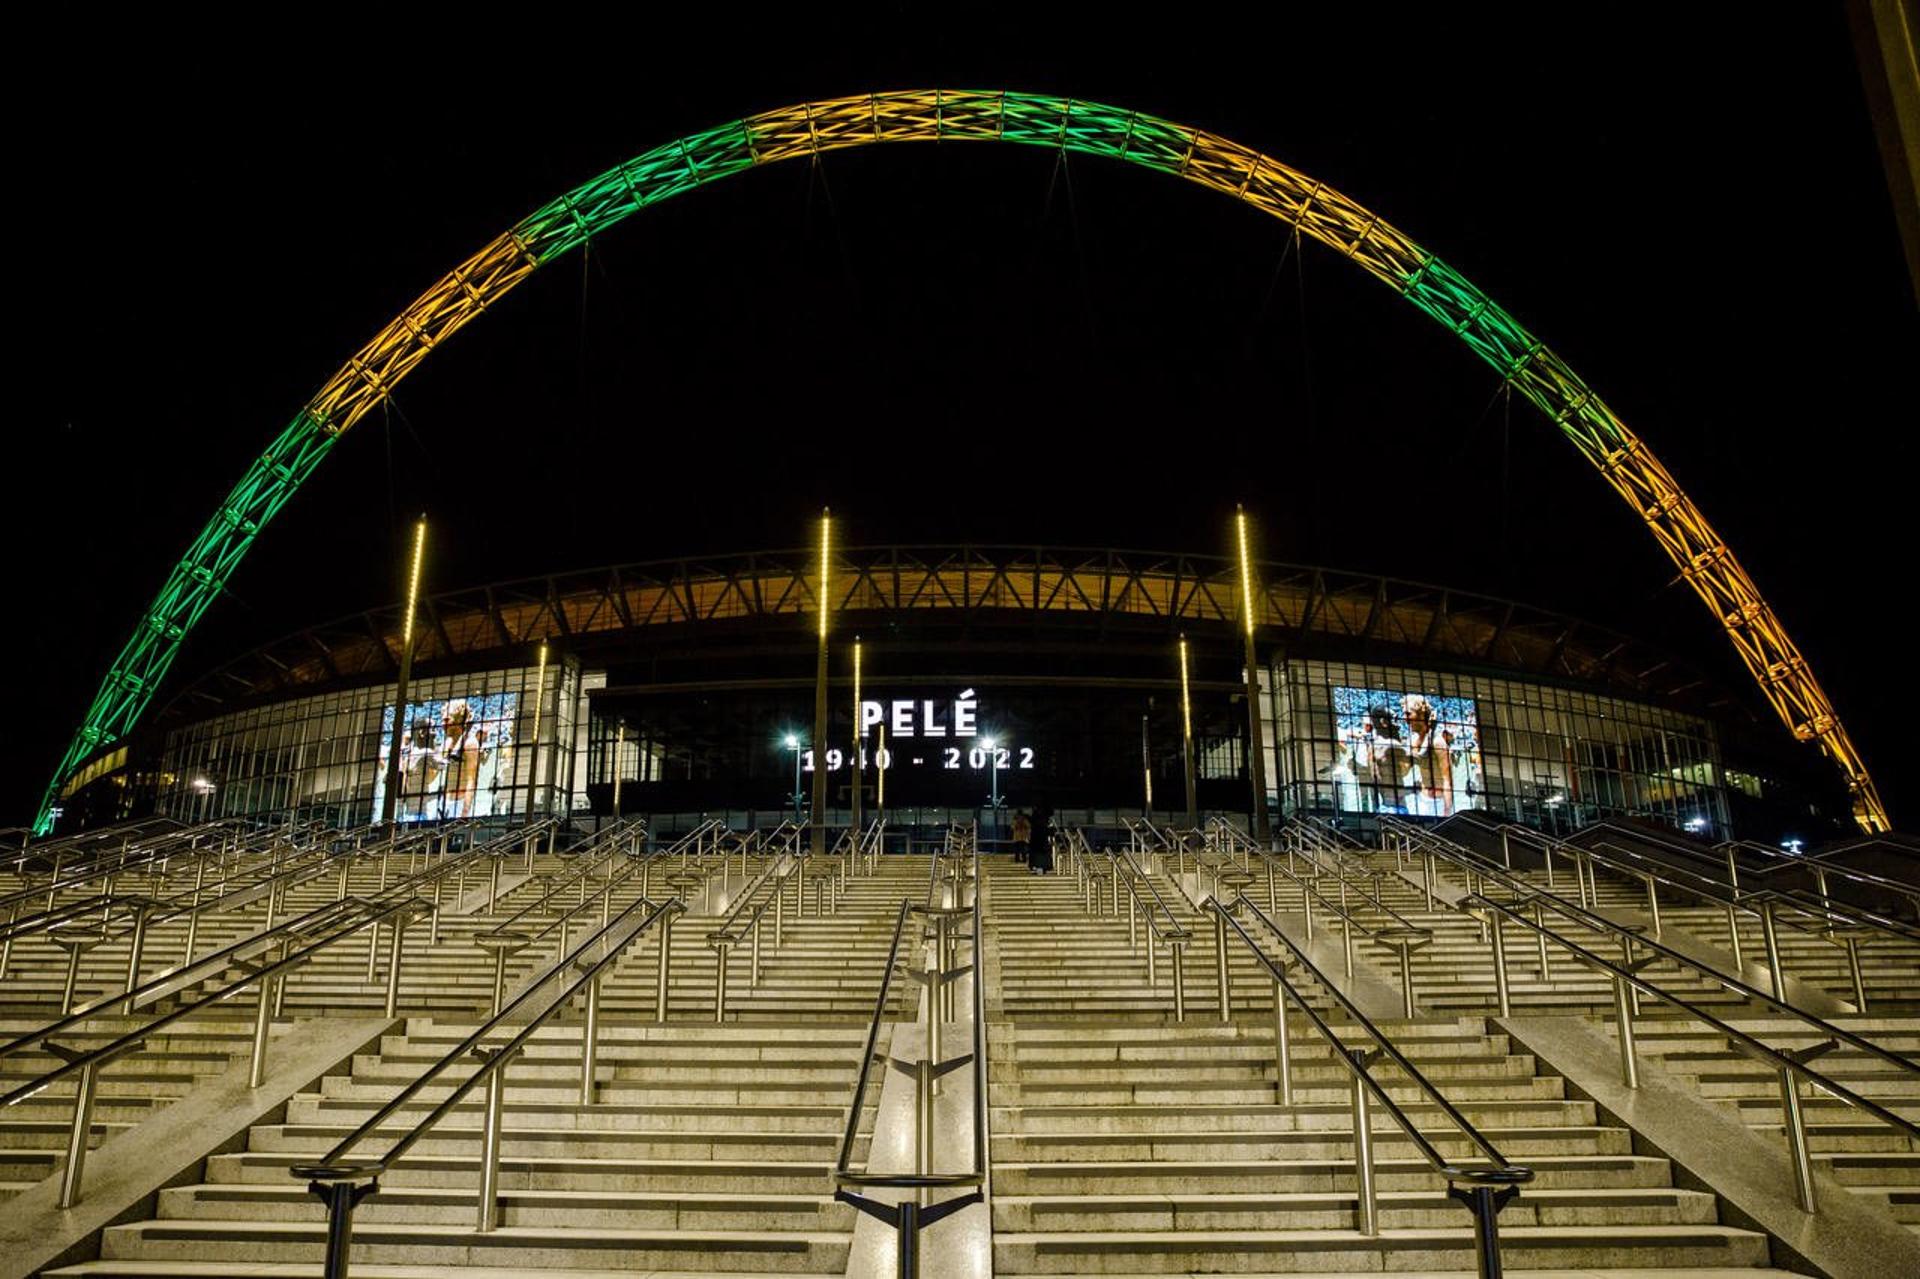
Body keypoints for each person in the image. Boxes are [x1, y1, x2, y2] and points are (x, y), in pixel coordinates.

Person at [1401, 694, 1455, 816]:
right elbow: (1404, 771)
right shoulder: (1414, 740)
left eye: (1408, 714)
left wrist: (1447, 813)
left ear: (1421, 715)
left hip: (1439, 804)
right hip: (1422, 800)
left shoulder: (1438, 741)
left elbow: (1448, 780)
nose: (1405, 719)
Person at [1029, 802, 1055, 874]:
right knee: (1042, 858)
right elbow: (1050, 830)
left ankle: (1037, 869)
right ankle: (1041, 870)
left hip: (1036, 841)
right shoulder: (1046, 820)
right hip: (1043, 842)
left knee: (1037, 858)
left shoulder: (1035, 817)